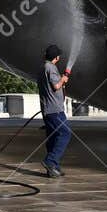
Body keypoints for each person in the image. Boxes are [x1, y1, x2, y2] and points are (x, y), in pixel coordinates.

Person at [38, 44, 72, 178]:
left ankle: (53, 169)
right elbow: (56, 86)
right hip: (55, 110)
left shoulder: (42, 67)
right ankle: (50, 161)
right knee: (65, 133)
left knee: (52, 138)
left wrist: (62, 81)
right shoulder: (50, 67)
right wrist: (63, 79)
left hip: (47, 109)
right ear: (56, 57)